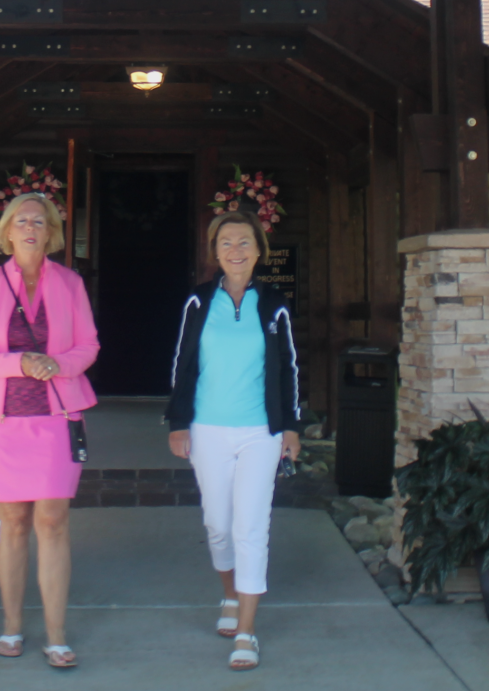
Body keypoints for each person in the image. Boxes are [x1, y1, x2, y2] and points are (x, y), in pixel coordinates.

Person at [0, 191, 99, 669]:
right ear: (7, 231)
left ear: (52, 231)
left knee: (53, 522)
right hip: (4, 422)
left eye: (40, 221)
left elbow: (88, 346)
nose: (31, 228)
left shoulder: (70, 284)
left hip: (58, 418)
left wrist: (55, 363)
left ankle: (57, 636)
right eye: (22, 221)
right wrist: (19, 362)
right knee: (14, 522)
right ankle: (13, 625)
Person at [165, 210, 302, 672]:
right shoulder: (199, 303)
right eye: (226, 242)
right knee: (218, 524)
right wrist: (178, 422)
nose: (236, 250)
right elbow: (182, 364)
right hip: (207, 429)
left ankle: (246, 630)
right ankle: (229, 592)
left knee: (250, 526)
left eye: (244, 241)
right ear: (215, 252)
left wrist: (292, 428)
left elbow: (289, 370)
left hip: (260, 432)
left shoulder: (274, 304)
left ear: (259, 250)